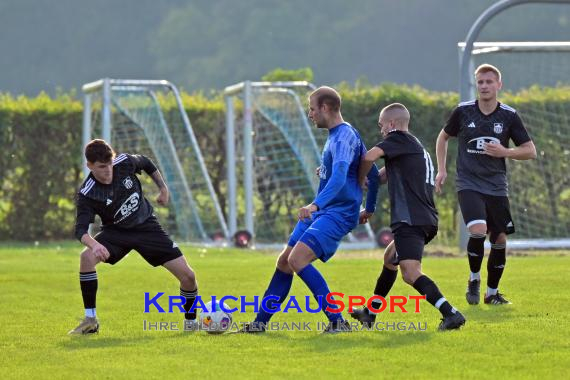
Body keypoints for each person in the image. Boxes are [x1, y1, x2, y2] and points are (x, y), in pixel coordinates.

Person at [238, 86, 380, 334]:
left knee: (297, 260)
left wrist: (318, 204)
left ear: (325, 108)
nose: (310, 114)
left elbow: (340, 179)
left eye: (312, 109)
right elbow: (369, 173)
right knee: (284, 262)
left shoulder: (344, 136)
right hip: (325, 211)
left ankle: (337, 322)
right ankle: (259, 324)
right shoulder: (336, 136)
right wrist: (368, 208)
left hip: (337, 212)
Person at [351, 103, 465, 331]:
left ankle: (451, 313)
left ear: (392, 124)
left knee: (410, 273)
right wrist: (364, 181)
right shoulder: (412, 146)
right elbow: (381, 176)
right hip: (423, 218)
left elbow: (369, 157)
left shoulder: (397, 139)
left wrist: (356, 176)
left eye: (382, 125)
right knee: (390, 259)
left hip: (410, 220)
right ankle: (370, 313)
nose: (381, 130)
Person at [69, 139, 198, 335]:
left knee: (188, 276)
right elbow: (80, 231)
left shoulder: (124, 162)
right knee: (86, 258)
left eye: (110, 164)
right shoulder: (88, 193)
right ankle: (90, 320)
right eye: (102, 167)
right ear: (89, 166)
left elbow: (146, 162)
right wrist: (94, 245)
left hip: (147, 226)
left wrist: (163, 188)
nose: (108, 170)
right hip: (116, 233)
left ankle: (190, 323)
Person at [435, 64, 536, 305]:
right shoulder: (463, 111)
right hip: (468, 182)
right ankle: (473, 279)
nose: (484, 86)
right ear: (476, 85)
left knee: (499, 239)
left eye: (489, 82)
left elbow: (530, 151)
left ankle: (492, 294)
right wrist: (441, 169)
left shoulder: (509, 116)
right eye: (480, 82)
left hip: (496, 186)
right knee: (478, 229)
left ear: (498, 85)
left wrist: (505, 151)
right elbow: (443, 137)